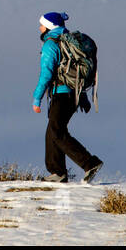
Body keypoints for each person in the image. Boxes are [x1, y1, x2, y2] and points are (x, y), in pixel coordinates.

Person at [33, 11, 103, 183]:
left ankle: (90, 163)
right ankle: (57, 172)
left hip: (61, 94)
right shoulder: (70, 42)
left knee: (57, 131)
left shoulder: (51, 45)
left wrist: (37, 98)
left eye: (41, 25)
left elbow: (46, 75)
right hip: (74, 95)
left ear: (49, 27)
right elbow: (77, 71)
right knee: (53, 131)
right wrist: (83, 97)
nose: (39, 28)